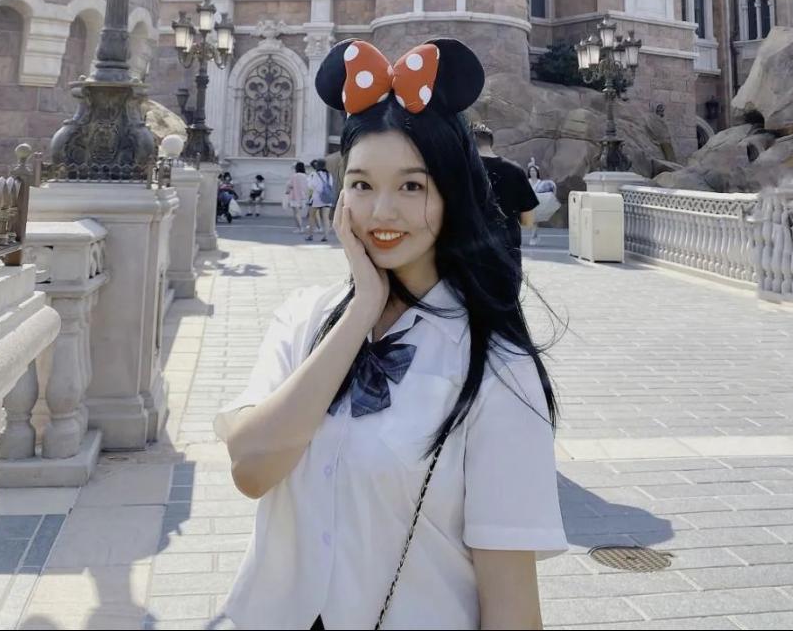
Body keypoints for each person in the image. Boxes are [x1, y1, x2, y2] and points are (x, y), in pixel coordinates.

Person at [215, 38, 567, 630]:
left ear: (451, 193)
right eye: (361, 185)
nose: (381, 213)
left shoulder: (496, 367)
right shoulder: (304, 319)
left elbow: (512, 606)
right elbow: (251, 469)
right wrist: (361, 312)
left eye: (411, 186)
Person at [470, 123, 538, 261]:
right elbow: (528, 221)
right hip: (508, 254)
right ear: (491, 143)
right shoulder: (515, 170)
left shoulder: (461, 170)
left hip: (469, 257)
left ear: (468, 143)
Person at [526, 160, 559, 246]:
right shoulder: (527, 182)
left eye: (534, 171)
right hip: (529, 204)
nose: (532, 173)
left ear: (537, 172)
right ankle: (535, 236)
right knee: (531, 222)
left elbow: (548, 190)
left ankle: (533, 237)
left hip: (538, 204)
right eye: (531, 171)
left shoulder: (540, 183)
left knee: (535, 221)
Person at [306, 158, 335, 243]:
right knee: (326, 218)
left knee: (312, 216)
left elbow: (310, 186)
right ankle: (326, 236)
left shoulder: (314, 174)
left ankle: (310, 235)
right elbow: (331, 185)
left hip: (316, 198)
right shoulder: (329, 175)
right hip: (327, 198)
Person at [285, 161, 311, 234]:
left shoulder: (294, 176)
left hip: (294, 196)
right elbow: (308, 186)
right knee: (298, 213)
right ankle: (299, 228)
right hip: (303, 197)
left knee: (296, 213)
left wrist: (287, 192)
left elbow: (289, 185)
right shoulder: (306, 176)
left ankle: (300, 228)